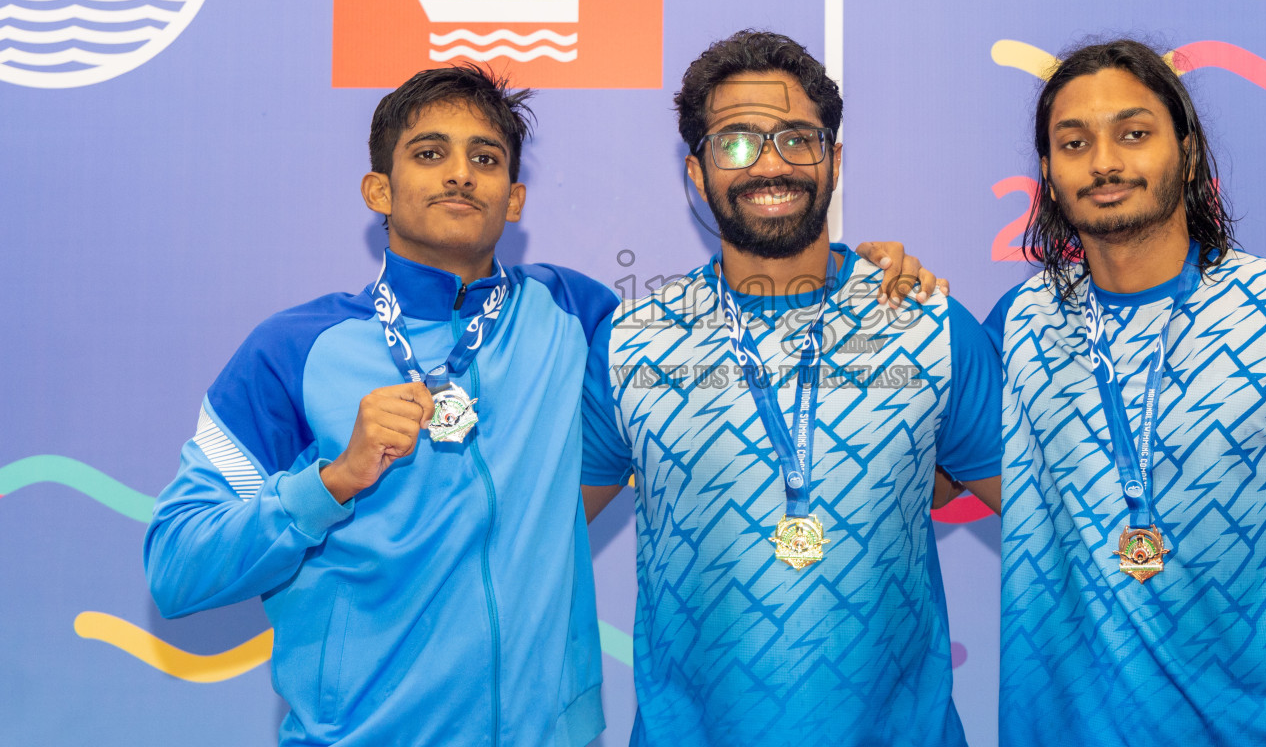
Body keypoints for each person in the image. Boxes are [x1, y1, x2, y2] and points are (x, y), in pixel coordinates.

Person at [142, 64, 930, 747]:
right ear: (378, 189)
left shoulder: (576, 316)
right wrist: (330, 481)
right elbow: (177, 569)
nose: (460, 174)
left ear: (514, 198)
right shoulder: (292, 350)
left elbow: (717, 321)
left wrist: (852, 273)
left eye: (485, 159)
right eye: (429, 154)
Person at [580, 31, 1002, 747]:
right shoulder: (633, 341)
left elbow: (1060, 526)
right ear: (697, 171)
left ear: (834, 160)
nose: (769, 164)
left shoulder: (927, 324)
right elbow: (535, 536)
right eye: (736, 141)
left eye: (796, 139)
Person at [987, 39, 1266, 747]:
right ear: (1049, 175)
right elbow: (921, 481)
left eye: (1134, 133)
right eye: (1074, 142)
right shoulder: (1014, 330)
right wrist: (865, 289)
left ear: (1187, 151)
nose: (1106, 161)